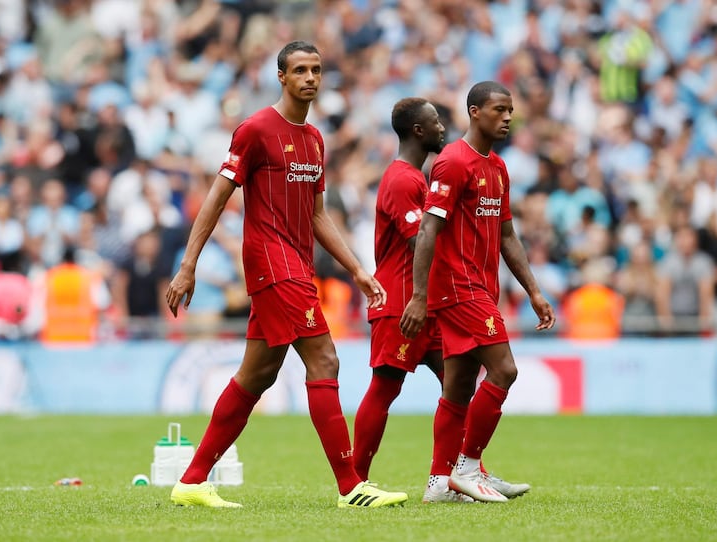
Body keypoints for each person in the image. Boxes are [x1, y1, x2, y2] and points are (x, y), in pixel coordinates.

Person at [165, 41, 408, 509]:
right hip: (270, 263)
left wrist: (357, 268)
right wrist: (188, 265)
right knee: (325, 360)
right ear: (281, 76)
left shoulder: (315, 140)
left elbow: (318, 216)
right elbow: (216, 197)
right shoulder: (255, 130)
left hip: (296, 263)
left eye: (316, 70)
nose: (310, 78)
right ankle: (351, 486)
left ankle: (192, 481)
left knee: (257, 375)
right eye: (300, 70)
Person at [400, 81, 556, 503]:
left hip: (481, 287)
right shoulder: (452, 163)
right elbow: (428, 229)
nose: (507, 117)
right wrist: (418, 295)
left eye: (510, 110)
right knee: (504, 370)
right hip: (457, 287)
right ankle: (467, 467)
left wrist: (534, 291)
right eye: (498, 109)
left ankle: (438, 482)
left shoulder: (498, 169)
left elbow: (508, 237)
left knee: (459, 386)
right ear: (474, 112)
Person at [351, 97, 447, 485]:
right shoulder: (402, 180)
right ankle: (354, 480)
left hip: (426, 300)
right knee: (385, 387)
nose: (442, 127)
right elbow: (419, 242)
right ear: (418, 131)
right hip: (403, 302)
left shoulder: (415, 178)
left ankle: (460, 473)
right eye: (436, 121)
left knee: (458, 384)